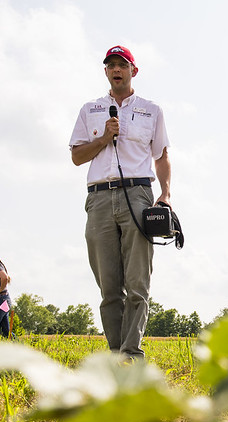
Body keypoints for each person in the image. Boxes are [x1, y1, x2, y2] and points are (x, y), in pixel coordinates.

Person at [69, 45, 171, 359]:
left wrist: (165, 195)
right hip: (99, 197)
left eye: (122, 65)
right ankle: (116, 354)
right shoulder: (90, 110)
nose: (117, 70)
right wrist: (103, 139)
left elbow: (162, 156)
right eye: (111, 65)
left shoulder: (151, 110)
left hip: (138, 195)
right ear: (106, 72)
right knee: (109, 287)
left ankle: (131, 353)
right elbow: (76, 157)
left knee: (138, 281)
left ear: (133, 71)